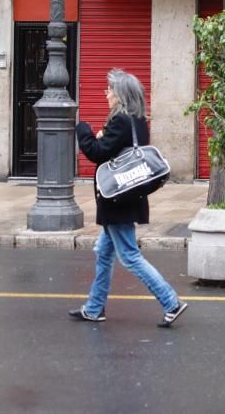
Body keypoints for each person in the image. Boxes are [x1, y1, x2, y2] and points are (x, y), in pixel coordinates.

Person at [69, 68, 188, 328]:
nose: (106, 93)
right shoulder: (136, 121)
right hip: (125, 198)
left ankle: (171, 302)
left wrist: (83, 130)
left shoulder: (121, 121)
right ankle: (94, 308)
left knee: (130, 256)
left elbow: (97, 152)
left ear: (121, 95)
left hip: (117, 201)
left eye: (110, 89)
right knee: (103, 251)